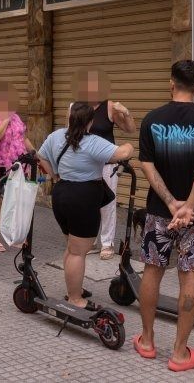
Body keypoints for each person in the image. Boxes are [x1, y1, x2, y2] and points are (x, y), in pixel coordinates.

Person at [133, 60, 194, 372]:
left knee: (152, 271)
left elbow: (147, 165)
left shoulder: (152, 119)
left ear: (172, 83)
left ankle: (146, 340)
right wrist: (189, 207)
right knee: (190, 274)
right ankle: (180, 353)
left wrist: (172, 204)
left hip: (160, 212)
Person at [37, 102, 134, 309]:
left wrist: (54, 174)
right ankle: (75, 298)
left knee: (72, 247)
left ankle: (74, 289)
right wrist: (130, 146)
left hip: (61, 195)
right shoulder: (93, 142)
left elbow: (41, 155)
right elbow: (123, 154)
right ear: (91, 121)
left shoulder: (56, 136)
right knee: (77, 252)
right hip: (84, 197)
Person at [69, 67, 135, 260]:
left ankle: (107, 243)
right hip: (83, 162)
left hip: (107, 163)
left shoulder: (110, 106)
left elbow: (129, 129)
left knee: (107, 203)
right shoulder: (75, 106)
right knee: (87, 204)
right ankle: (90, 241)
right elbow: (69, 133)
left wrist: (126, 112)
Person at [0, 82, 34, 253]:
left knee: (18, 202)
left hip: (19, 166)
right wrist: (4, 119)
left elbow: (23, 138)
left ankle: (16, 237)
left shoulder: (17, 118)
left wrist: (35, 154)